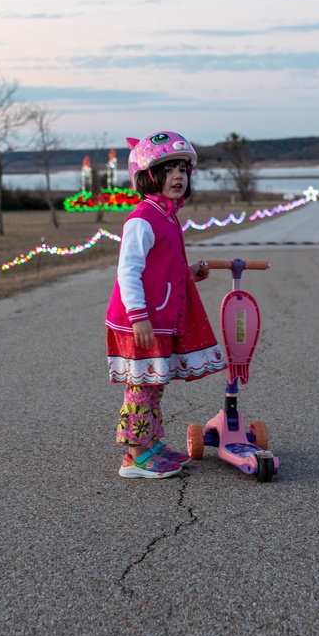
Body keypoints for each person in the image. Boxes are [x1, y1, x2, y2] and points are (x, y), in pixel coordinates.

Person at [106, 131, 226, 478]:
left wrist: (188, 273)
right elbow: (128, 272)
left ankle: (151, 442)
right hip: (140, 321)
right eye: (168, 169)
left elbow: (162, 268)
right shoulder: (142, 219)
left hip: (159, 318)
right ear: (147, 176)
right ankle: (135, 456)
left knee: (155, 385)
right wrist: (138, 317)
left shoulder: (167, 216)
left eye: (182, 169)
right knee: (141, 388)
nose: (178, 176)